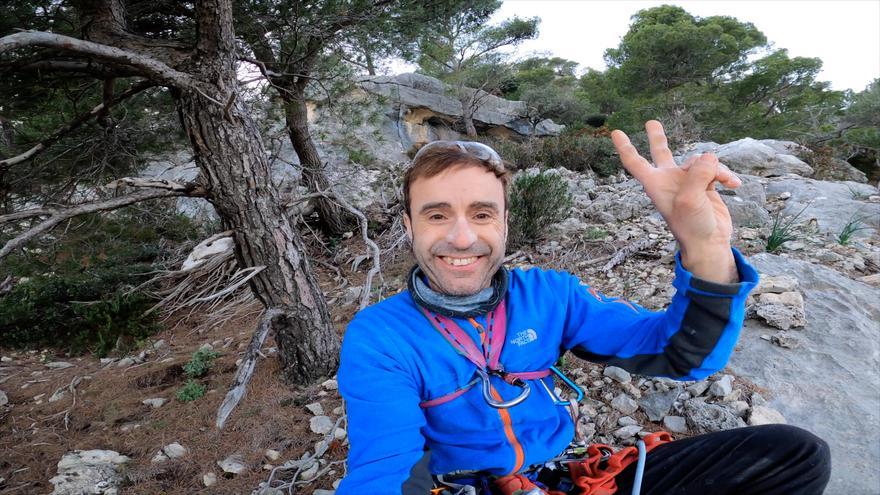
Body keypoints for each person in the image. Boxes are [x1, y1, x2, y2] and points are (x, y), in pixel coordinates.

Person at [336, 121, 830, 495]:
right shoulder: (382, 337)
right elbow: (385, 468)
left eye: (482, 214)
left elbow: (684, 355)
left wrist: (704, 248)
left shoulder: (549, 296)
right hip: (475, 487)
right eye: (437, 214)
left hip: (566, 479)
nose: (462, 237)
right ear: (408, 225)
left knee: (795, 454)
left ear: (505, 223)